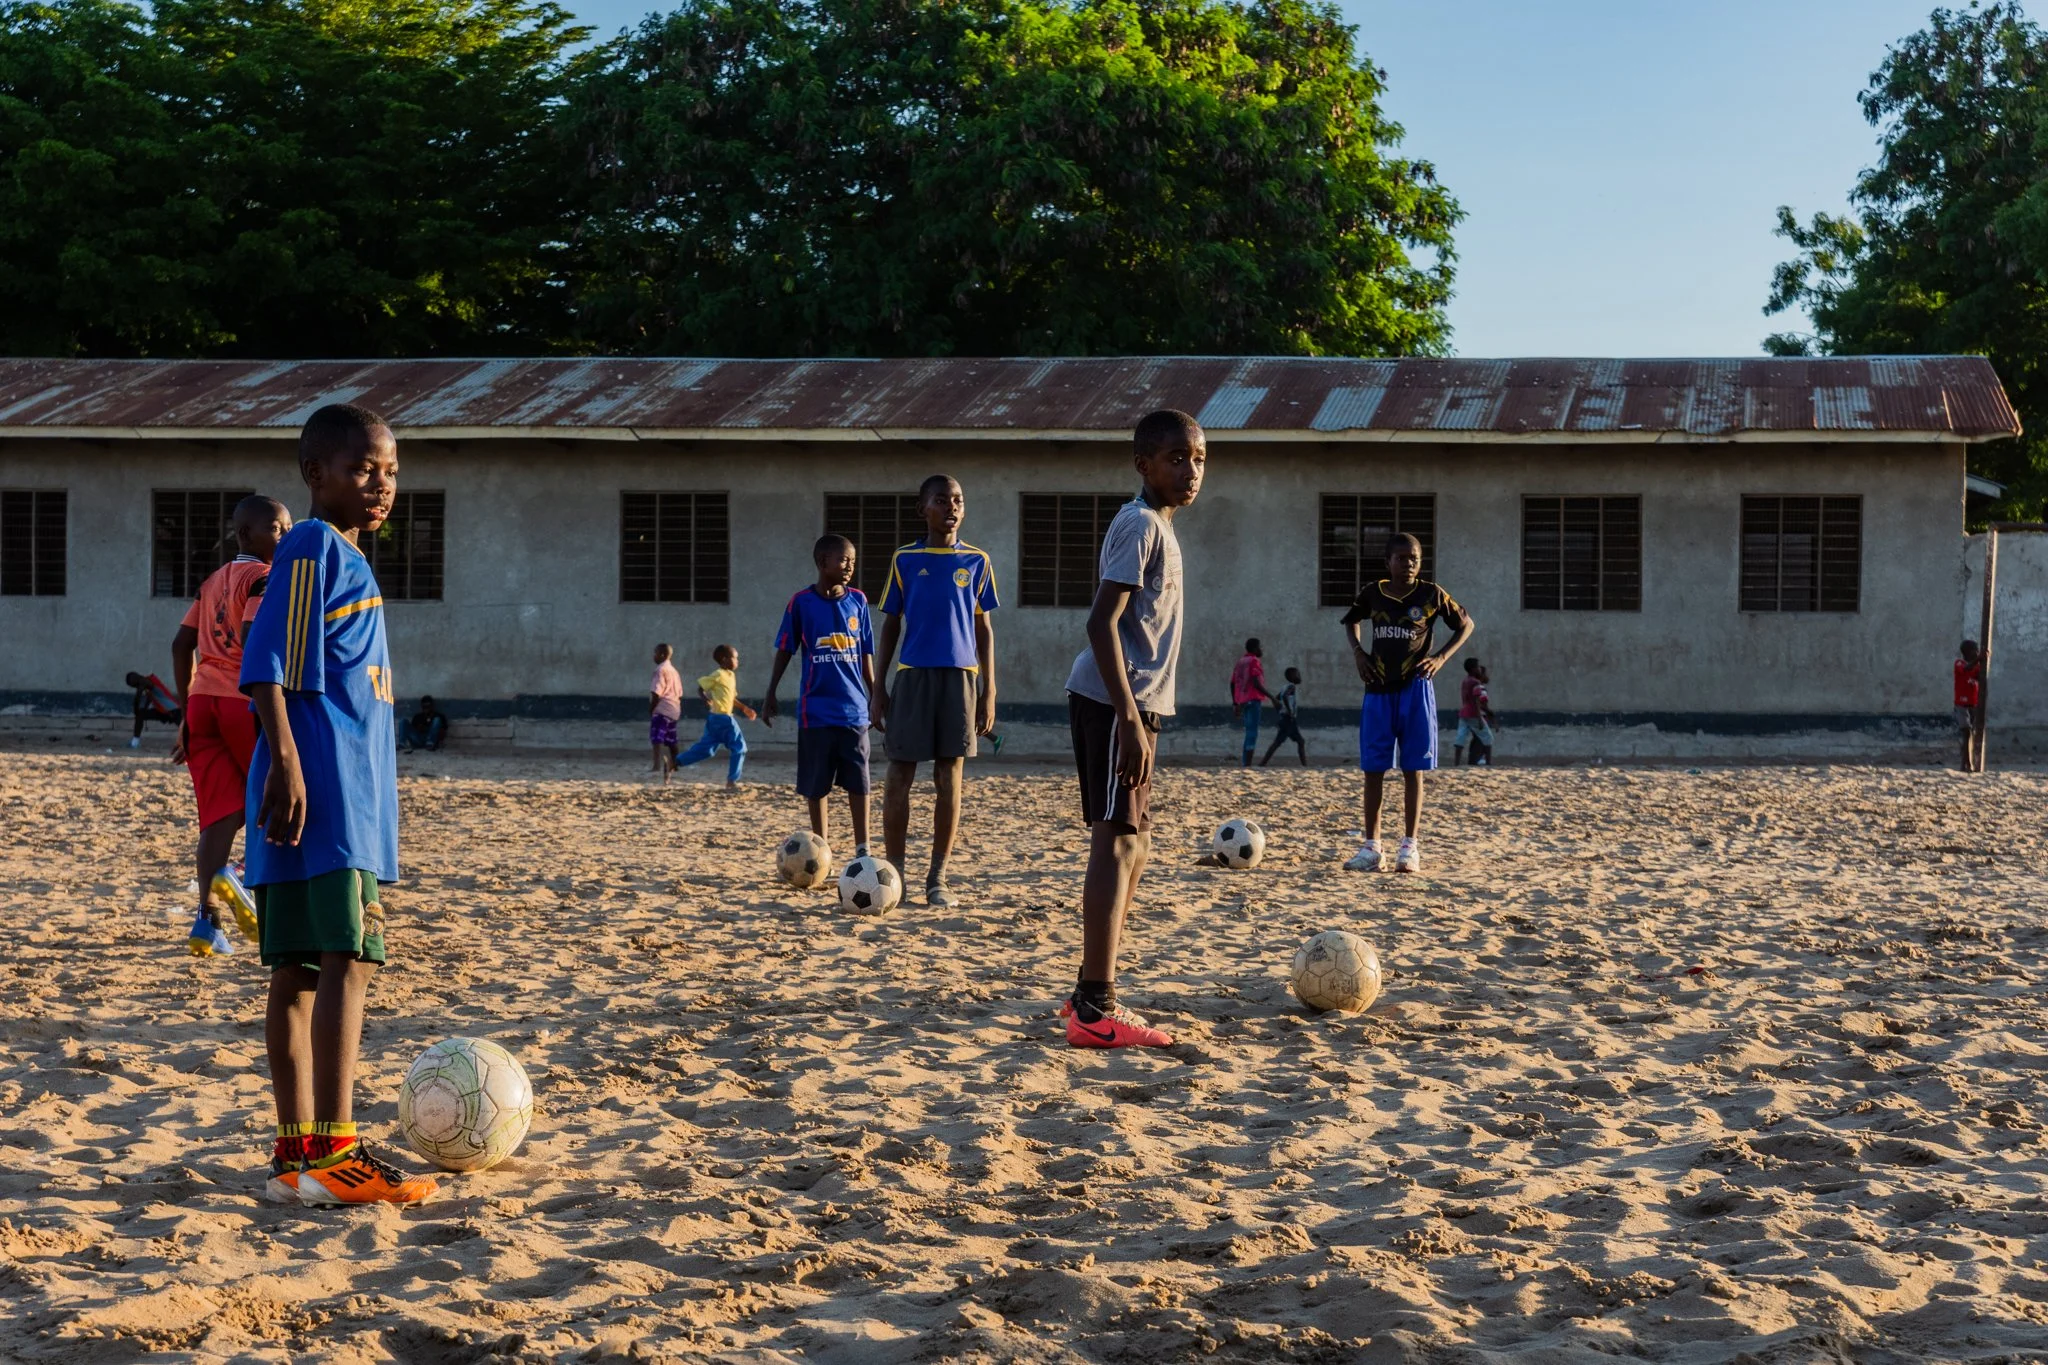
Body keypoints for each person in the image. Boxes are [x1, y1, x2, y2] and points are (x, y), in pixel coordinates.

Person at [240, 402, 436, 1206]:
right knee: (345, 961)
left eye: (389, 470)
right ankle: (337, 1150)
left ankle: (295, 1158)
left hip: (327, 789)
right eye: (362, 469)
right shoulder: (314, 544)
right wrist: (286, 760)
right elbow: (267, 666)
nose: (380, 484)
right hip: (325, 793)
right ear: (314, 475)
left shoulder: (346, 555)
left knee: (297, 971)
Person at [1060, 409, 1205, 1049]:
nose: (1190, 469)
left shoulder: (1161, 527)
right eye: (1177, 458)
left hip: (1137, 704)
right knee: (1116, 843)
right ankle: (1095, 1007)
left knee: (1136, 845)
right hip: (1114, 701)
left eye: (1199, 458)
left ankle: (1093, 988)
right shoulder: (1138, 523)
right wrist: (1126, 717)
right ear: (1142, 464)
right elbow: (1101, 623)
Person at [170, 494, 293, 957]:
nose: (285, 536)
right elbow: (249, 635)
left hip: (203, 702)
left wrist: (186, 710)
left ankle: (207, 924)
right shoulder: (263, 577)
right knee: (274, 797)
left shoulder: (212, 580)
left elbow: (181, 645)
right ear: (246, 534)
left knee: (220, 816)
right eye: (277, 528)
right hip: (244, 700)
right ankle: (239, 874)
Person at [873, 475, 999, 908]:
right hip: (912, 677)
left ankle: (937, 878)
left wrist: (989, 691)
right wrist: (878, 687)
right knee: (899, 777)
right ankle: (895, 873)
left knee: (949, 779)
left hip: (961, 679)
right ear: (922, 508)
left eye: (959, 500)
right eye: (942, 500)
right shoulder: (905, 559)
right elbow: (890, 624)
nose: (952, 507)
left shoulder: (978, 560)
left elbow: (984, 628)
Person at [1339, 533, 1475, 875]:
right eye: (1401, 558)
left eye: (1414, 558)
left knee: (1413, 769)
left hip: (1416, 690)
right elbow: (1352, 620)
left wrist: (1441, 657)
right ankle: (1372, 847)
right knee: (1374, 769)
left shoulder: (1431, 594)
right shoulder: (1373, 593)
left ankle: (1409, 847)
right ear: (1388, 562)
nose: (1408, 564)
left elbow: (1465, 624)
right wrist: (1358, 654)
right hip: (1378, 690)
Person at [762, 534, 877, 852]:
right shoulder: (801, 603)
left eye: (853, 560)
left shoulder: (859, 601)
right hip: (815, 711)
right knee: (817, 786)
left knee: (859, 782)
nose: (850, 565)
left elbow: (866, 652)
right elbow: (785, 648)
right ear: (822, 562)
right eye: (843, 559)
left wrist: (876, 694)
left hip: (854, 711)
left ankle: (862, 849)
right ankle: (821, 847)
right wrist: (771, 691)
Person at [675, 644, 751, 788]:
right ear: (724, 660)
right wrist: (705, 700)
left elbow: (731, 698)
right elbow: (701, 688)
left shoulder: (730, 675)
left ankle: (676, 762)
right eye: (735, 658)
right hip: (724, 718)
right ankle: (732, 781)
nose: (737, 661)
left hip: (714, 719)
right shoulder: (718, 674)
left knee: (706, 750)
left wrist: (744, 708)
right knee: (740, 747)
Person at [1230, 639, 1275, 767]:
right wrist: (1272, 697)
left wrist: (1235, 703)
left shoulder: (1240, 662)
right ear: (1255, 648)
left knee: (1248, 731)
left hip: (1242, 700)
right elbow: (1256, 682)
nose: (1262, 650)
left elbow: (1232, 683)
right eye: (1260, 647)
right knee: (1252, 733)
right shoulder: (1254, 661)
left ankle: (1246, 762)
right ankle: (1247, 763)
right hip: (1253, 699)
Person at [648, 645, 683, 781]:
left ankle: (656, 765)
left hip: (662, 709)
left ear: (662, 655)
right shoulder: (674, 671)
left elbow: (656, 693)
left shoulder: (660, 670)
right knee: (671, 739)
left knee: (657, 738)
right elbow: (679, 693)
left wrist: (651, 709)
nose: (654, 656)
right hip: (674, 709)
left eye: (655, 653)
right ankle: (676, 764)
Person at [1259, 666, 1307, 767]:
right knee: (1278, 742)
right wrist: (1289, 710)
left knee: (1300, 741)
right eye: (1298, 674)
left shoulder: (1285, 687)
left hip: (1287, 719)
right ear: (1293, 676)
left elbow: (1276, 699)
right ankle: (1262, 764)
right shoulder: (1291, 687)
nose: (1300, 676)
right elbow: (1285, 696)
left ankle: (1305, 766)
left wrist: (1279, 710)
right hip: (1288, 719)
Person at [1455, 659, 1496, 766]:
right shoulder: (1476, 683)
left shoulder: (1465, 681)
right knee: (1488, 738)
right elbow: (1477, 702)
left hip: (1463, 713)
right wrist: (1479, 719)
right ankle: (1488, 762)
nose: (1479, 669)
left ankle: (1456, 763)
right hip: (1473, 714)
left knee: (1460, 738)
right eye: (1478, 667)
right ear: (1473, 669)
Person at [1956, 639, 1984, 772]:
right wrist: (1979, 658)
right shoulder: (1959, 663)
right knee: (1966, 732)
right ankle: (1965, 763)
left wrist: (1981, 662)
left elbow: (1979, 677)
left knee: (1970, 734)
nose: (1977, 652)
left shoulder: (1977, 667)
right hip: (1962, 705)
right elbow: (1966, 669)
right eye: (1975, 650)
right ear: (1967, 652)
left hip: (1973, 705)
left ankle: (1967, 763)